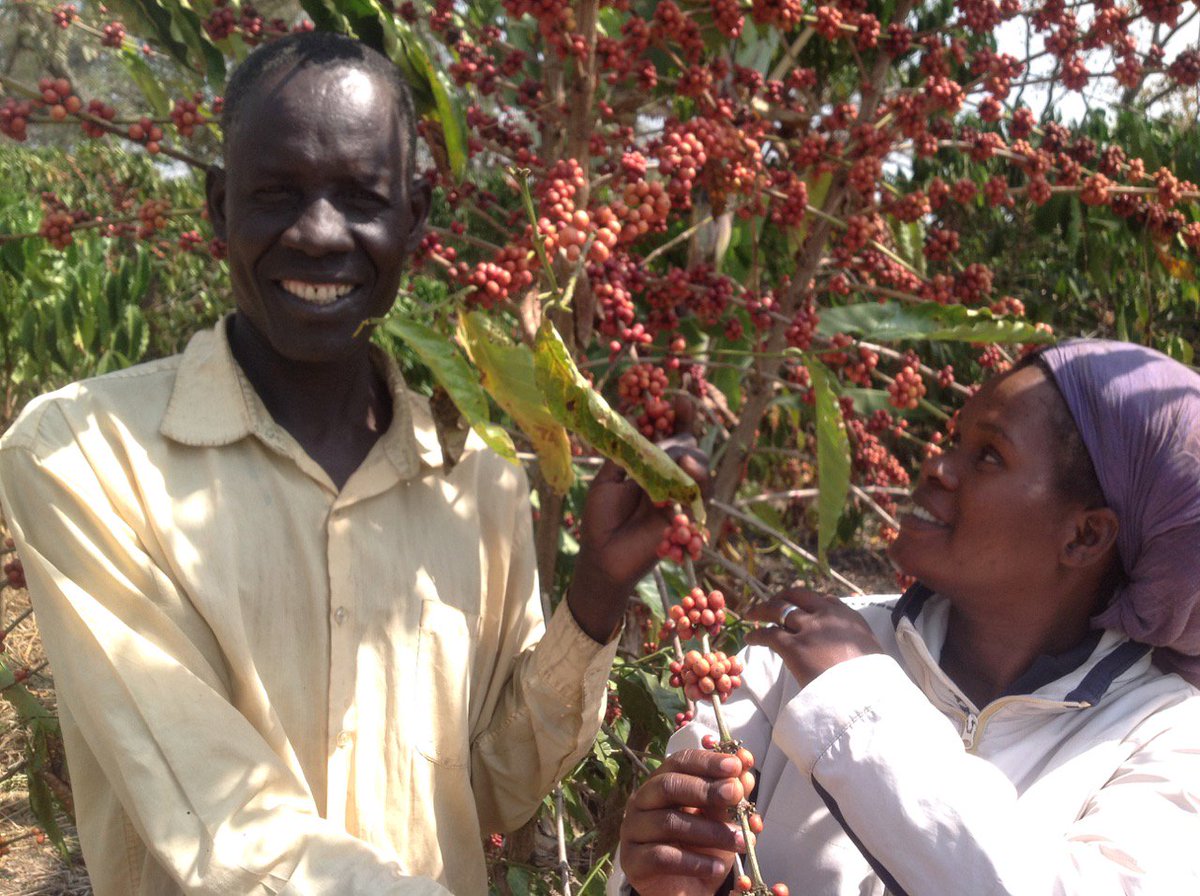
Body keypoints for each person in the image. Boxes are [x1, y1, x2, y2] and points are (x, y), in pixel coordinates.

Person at [0, 32, 701, 896]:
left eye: (362, 198)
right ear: (219, 208)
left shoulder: (478, 480)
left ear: (417, 214)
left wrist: (595, 591)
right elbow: (217, 820)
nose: (320, 234)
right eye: (277, 194)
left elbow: (493, 785)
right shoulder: (84, 456)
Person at [614, 339, 1200, 895]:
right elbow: (676, 859)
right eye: (954, 439)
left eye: (988, 455)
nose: (938, 467)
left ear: (1085, 535)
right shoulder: (795, 652)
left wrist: (858, 700)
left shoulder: (1167, 734)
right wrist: (660, 876)